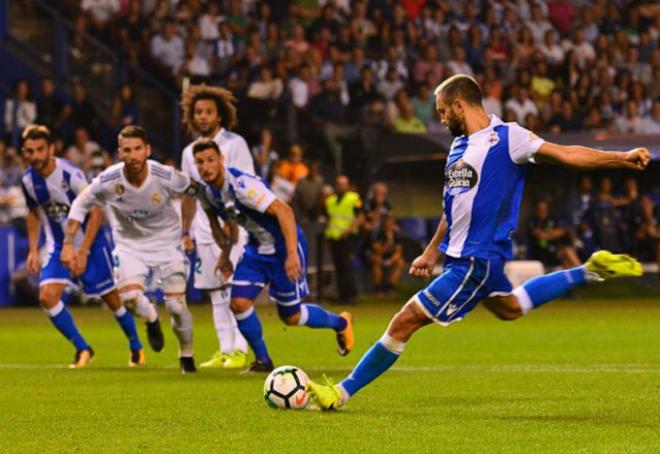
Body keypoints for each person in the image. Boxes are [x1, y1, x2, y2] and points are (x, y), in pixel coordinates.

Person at [306, 74, 649, 410]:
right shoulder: (457, 147)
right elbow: (453, 205)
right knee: (509, 308)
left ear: (459, 104)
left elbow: (567, 154)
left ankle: (340, 393)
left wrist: (620, 157)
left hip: (477, 259)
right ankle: (589, 271)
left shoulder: (508, 137)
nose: (441, 119)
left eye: (442, 111)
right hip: (461, 257)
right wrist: (430, 250)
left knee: (405, 321)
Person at [191, 139, 354, 372]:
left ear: (221, 160)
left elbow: (285, 212)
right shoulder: (207, 192)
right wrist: (225, 254)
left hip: (282, 246)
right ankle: (263, 361)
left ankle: (341, 322)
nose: (205, 167)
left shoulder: (241, 185)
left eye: (210, 160)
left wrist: (290, 254)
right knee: (238, 303)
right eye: (200, 162)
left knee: (291, 316)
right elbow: (225, 223)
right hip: (256, 248)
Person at [66, 125, 197, 374]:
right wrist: (68, 243)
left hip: (167, 243)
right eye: (127, 150)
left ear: (147, 150)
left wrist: (187, 230)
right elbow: (80, 205)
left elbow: (194, 191)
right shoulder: (108, 180)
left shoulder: (166, 175)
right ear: (120, 153)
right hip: (129, 245)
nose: (133, 155)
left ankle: (187, 355)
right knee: (129, 299)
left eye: (138, 149)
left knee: (177, 307)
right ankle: (151, 318)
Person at [20, 125, 144, 368]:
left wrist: (83, 251)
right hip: (58, 247)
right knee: (47, 297)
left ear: (51, 149)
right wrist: (33, 250)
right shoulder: (27, 180)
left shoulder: (70, 175)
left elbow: (96, 211)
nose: (34, 156)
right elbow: (33, 213)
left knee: (112, 300)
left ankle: (136, 346)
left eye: (39, 150)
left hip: (91, 243)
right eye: (28, 151)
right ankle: (83, 349)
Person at [179, 84, 251, 369]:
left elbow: (245, 185)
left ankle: (241, 349)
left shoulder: (235, 144)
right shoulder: (189, 152)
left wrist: (233, 225)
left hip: (235, 228)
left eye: (208, 111)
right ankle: (224, 349)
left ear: (219, 115)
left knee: (234, 289)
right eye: (198, 112)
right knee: (215, 292)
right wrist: (186, 231)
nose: (203, 117)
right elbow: (190, 192)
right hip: (204, 230)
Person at [325, 175, 363, 304]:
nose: (341, 186)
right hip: (334, 238)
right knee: (339, 267)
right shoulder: (330, 200)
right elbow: (330, 219)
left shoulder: (353, 198)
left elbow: (360, 217)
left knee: (347, 267)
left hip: (347, 238)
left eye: (343, 184)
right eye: (339, 184)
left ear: (347, 185)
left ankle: (351, 296)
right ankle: (342, 296)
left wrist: (349, 230)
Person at [370, 215, 405, 296]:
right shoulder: (377, 233)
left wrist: (390, 261)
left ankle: (390, 287)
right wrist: (388, 242)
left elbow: (398, 251)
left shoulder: (396, 233)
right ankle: (378, 288)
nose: (389, 225)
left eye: (391, 223)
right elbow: (378, 250)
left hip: (390, 258)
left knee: (400, 262)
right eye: (387, 223)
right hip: (377, 255)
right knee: (377, 260)